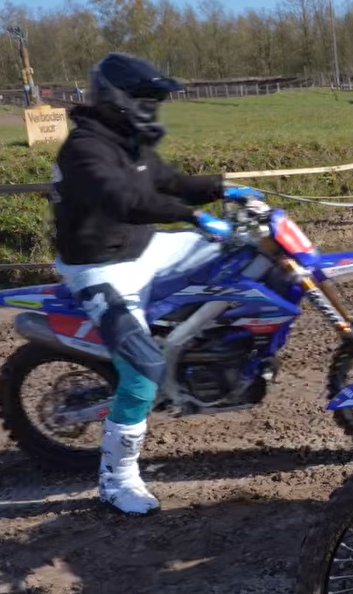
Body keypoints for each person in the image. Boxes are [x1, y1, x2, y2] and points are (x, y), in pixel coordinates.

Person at [50, 52, 261, 515]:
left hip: (145, 248)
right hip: (99, 266)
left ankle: (202, 348)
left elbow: (170, 181)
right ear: (116, 96)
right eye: (146, 97)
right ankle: (116, 479)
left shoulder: (130, 143)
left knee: (249, 253)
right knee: (143, 371)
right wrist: (193, 216)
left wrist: (225, 189)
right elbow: (125, 200)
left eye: (156, 98)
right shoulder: (86, 148)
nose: (153, 106)